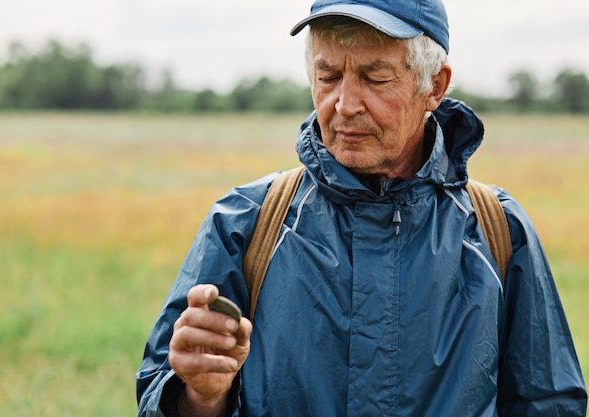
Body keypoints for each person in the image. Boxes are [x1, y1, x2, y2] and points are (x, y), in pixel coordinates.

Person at [136, 0, 588, 416]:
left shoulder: (499, 230)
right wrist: (200, 395)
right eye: (328, 76)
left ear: (434, 86)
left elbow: (548, 404)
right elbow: (159, 392)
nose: (345, 106)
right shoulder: (246, 222)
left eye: (374, 78)